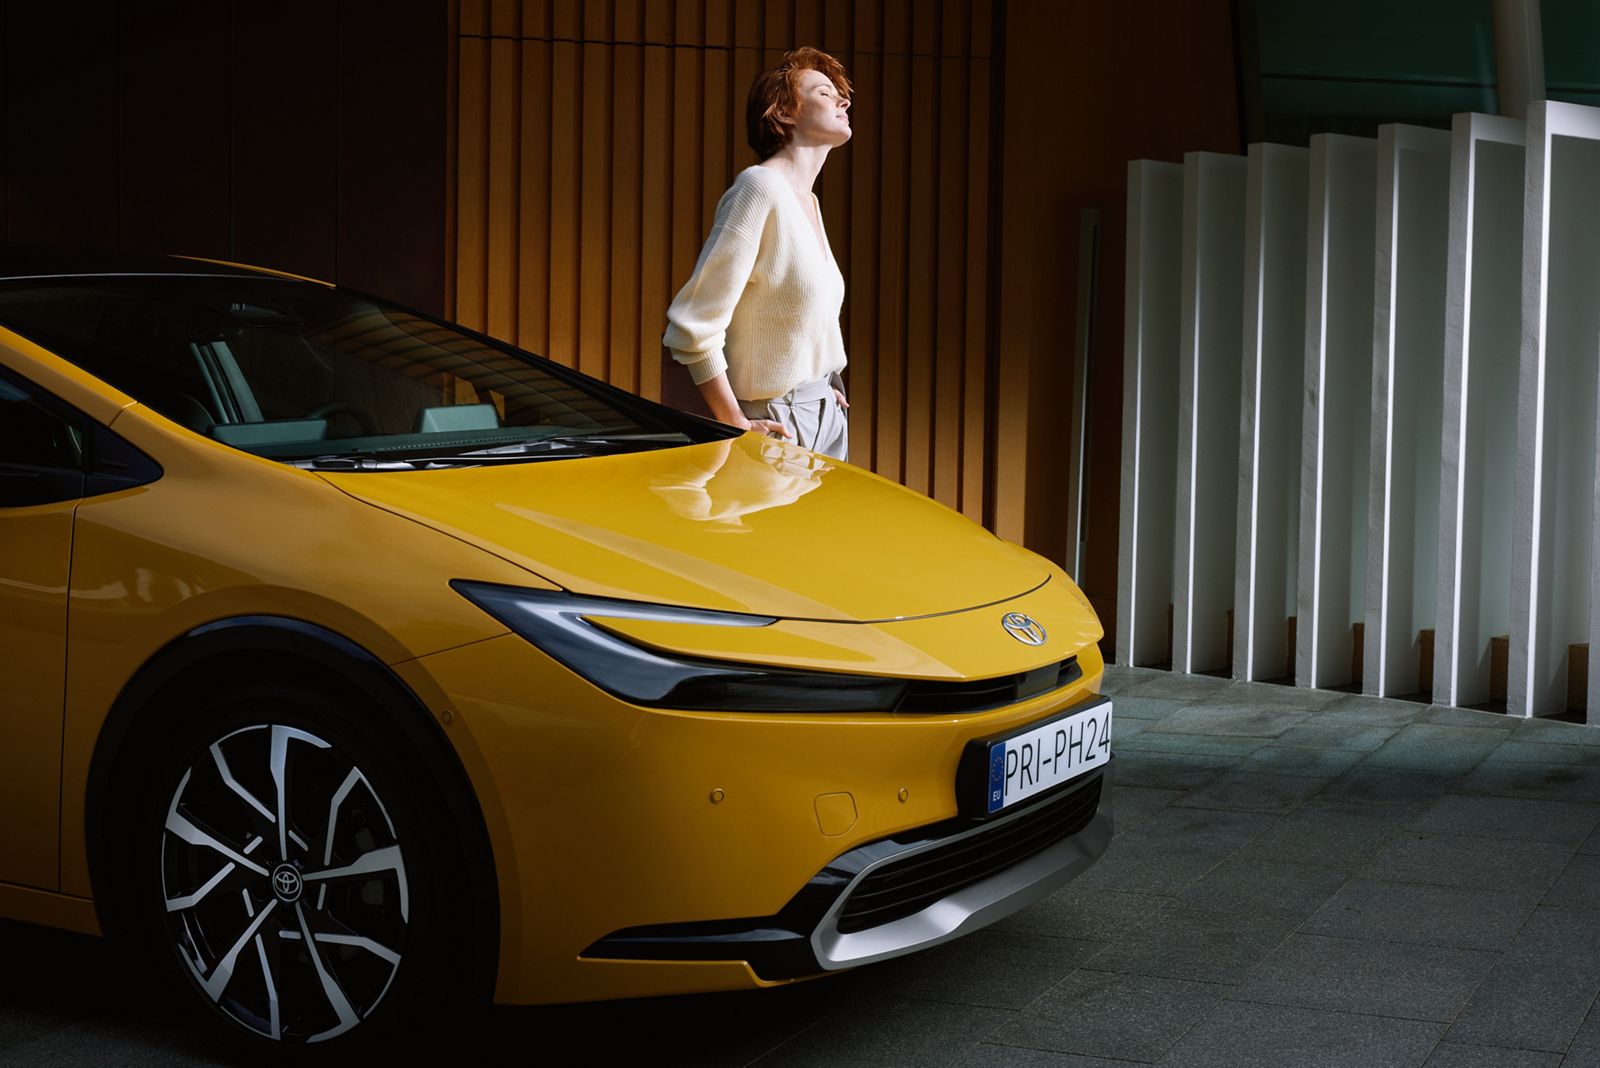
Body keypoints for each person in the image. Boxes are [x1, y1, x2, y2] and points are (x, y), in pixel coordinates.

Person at [662, 47, 853, 461]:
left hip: (826, 414)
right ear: (784, 113)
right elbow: (692, 326)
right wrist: (735, 422)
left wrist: (826, 389)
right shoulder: (759, 187)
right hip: (776, 420)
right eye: (825, 92)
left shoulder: (809, 202)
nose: (844, 100)